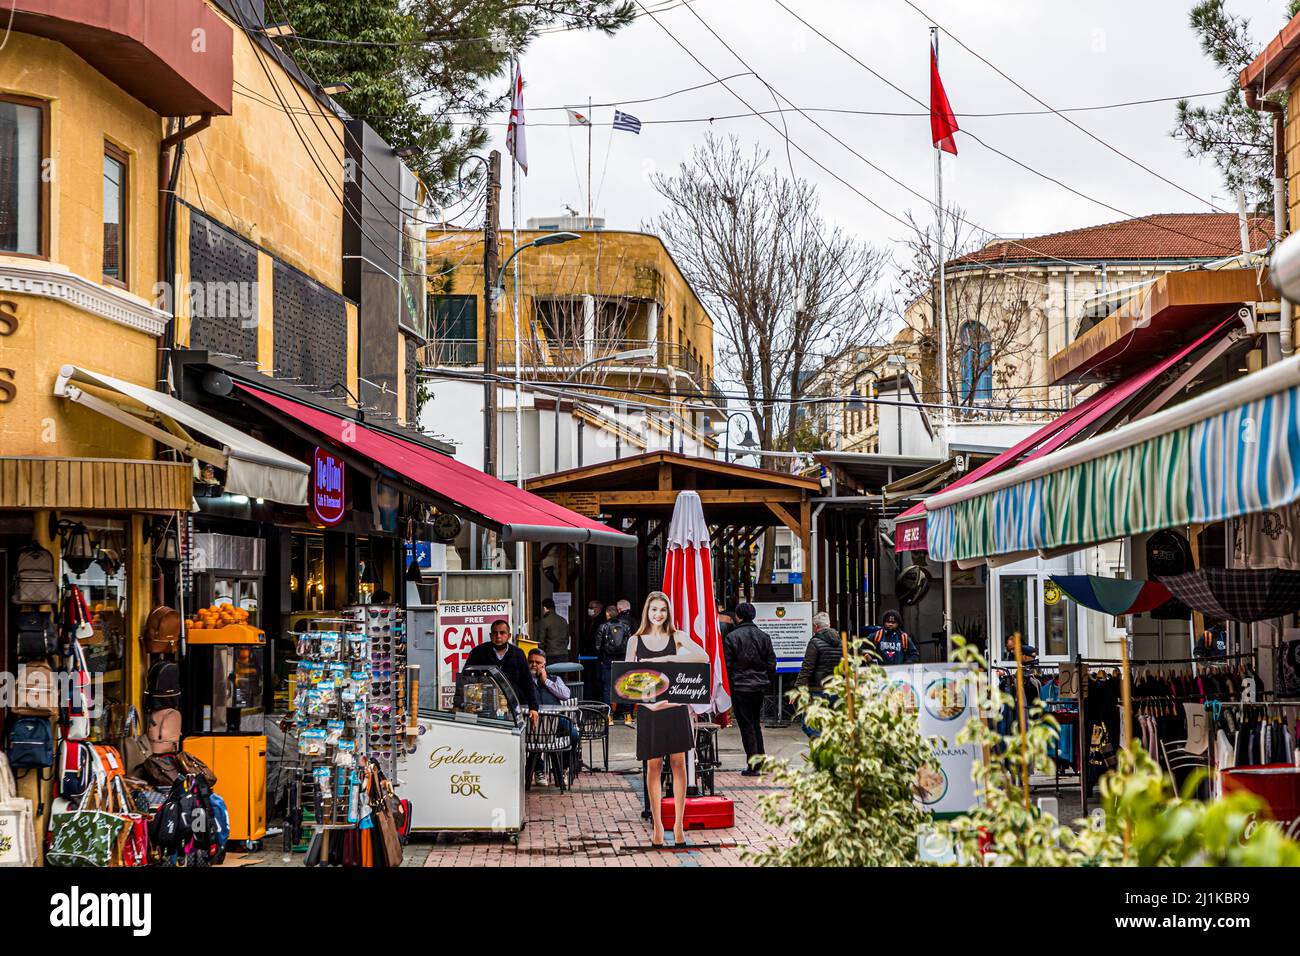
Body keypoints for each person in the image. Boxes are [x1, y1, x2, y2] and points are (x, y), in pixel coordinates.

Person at [626, 591, 709, 847]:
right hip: (650, 711)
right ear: (646, 612)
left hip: (675, 707)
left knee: (679, 764)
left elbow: (703, 657)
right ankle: (658, 825)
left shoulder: (678, 636)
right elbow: (626, 682)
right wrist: (645, 705)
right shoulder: (635, 640)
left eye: (663, 609)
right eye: (654, 610)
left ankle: (679, 824)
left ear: (668, 612)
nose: (658, 614)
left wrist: (671, 657)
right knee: (653, 766)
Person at [722, 602, 777, 774]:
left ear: (738, 616)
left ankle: (753, 764)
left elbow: (727, 666)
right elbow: (771, 663)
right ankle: (760, 760)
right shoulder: (764, 636)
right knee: (755, 724)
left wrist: (730, 684)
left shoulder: (732, 638)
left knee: (746, 725)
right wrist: (765, 679)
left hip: (740, 687)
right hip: (759, 687)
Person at [465, 619, 539, 725]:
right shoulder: (478, 652)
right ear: (491, 636)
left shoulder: (518, 654)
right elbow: (466, 679)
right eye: (495, 633)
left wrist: (533, 707)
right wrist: (458, 705)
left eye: (502, 633)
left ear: (508, 636)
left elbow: (527, 682)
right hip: (484, 710)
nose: (498, 636)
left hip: (512, 709)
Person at [796, 611, 843, 737]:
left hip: (818, 690)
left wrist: (798, 689)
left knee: (808, 724)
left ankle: (822, 745)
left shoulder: (815, 642)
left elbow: (807, 668)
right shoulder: (841, 642)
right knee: (831, 723)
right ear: (829, 624)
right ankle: (829, 746)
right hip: (836, 690)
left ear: (816, 627)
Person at [527, 648, 581, 751]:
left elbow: (566, 695)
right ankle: (539, 764)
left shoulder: (554, 679)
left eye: (538, 662)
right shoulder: (524, 680)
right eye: (531, 662)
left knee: (574, 734)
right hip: (533, 719)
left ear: (544, 664)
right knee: (539, 742)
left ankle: (565, 764)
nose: (534, 665)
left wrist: (546, 681)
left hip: (556, 719)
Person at [597, 604, 633, 724]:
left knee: (607, 689)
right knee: (625, 687)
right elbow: (630, 643)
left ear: (607, 614)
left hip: (608, 660)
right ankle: (627, 716)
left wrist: (601, 658)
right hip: (623, 660)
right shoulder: (626, 626)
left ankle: (609, 717)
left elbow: (597, 646)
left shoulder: (604, 626)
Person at [580, 600, 606, 704]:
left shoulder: (601, 622)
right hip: (588, 656)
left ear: (598, 609)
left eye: (592, 607)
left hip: (596, 657)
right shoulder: (590, 621)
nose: (589, 610)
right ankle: (588, 700)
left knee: (597, 680)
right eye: (589, 607)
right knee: (588, 679)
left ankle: (596, 701)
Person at [535, 597, 570, 663]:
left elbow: (541, 642)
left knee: (551, 673)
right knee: (562, 672)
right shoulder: (563, 621)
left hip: (550, 655)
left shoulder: (544, 621)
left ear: (544, 608)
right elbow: (567, 639)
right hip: (564, 654)